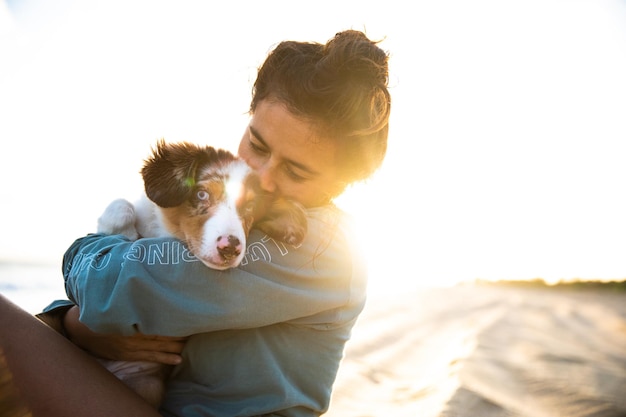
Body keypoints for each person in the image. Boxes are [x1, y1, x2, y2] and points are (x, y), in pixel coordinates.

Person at [0, 29, 391, 417]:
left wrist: (72, 318)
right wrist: (71, 324)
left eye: (296, 171)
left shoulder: (319, 247)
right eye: (257, 145)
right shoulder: (249, 214)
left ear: (344, 182)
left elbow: (108, 291)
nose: (263, 176)